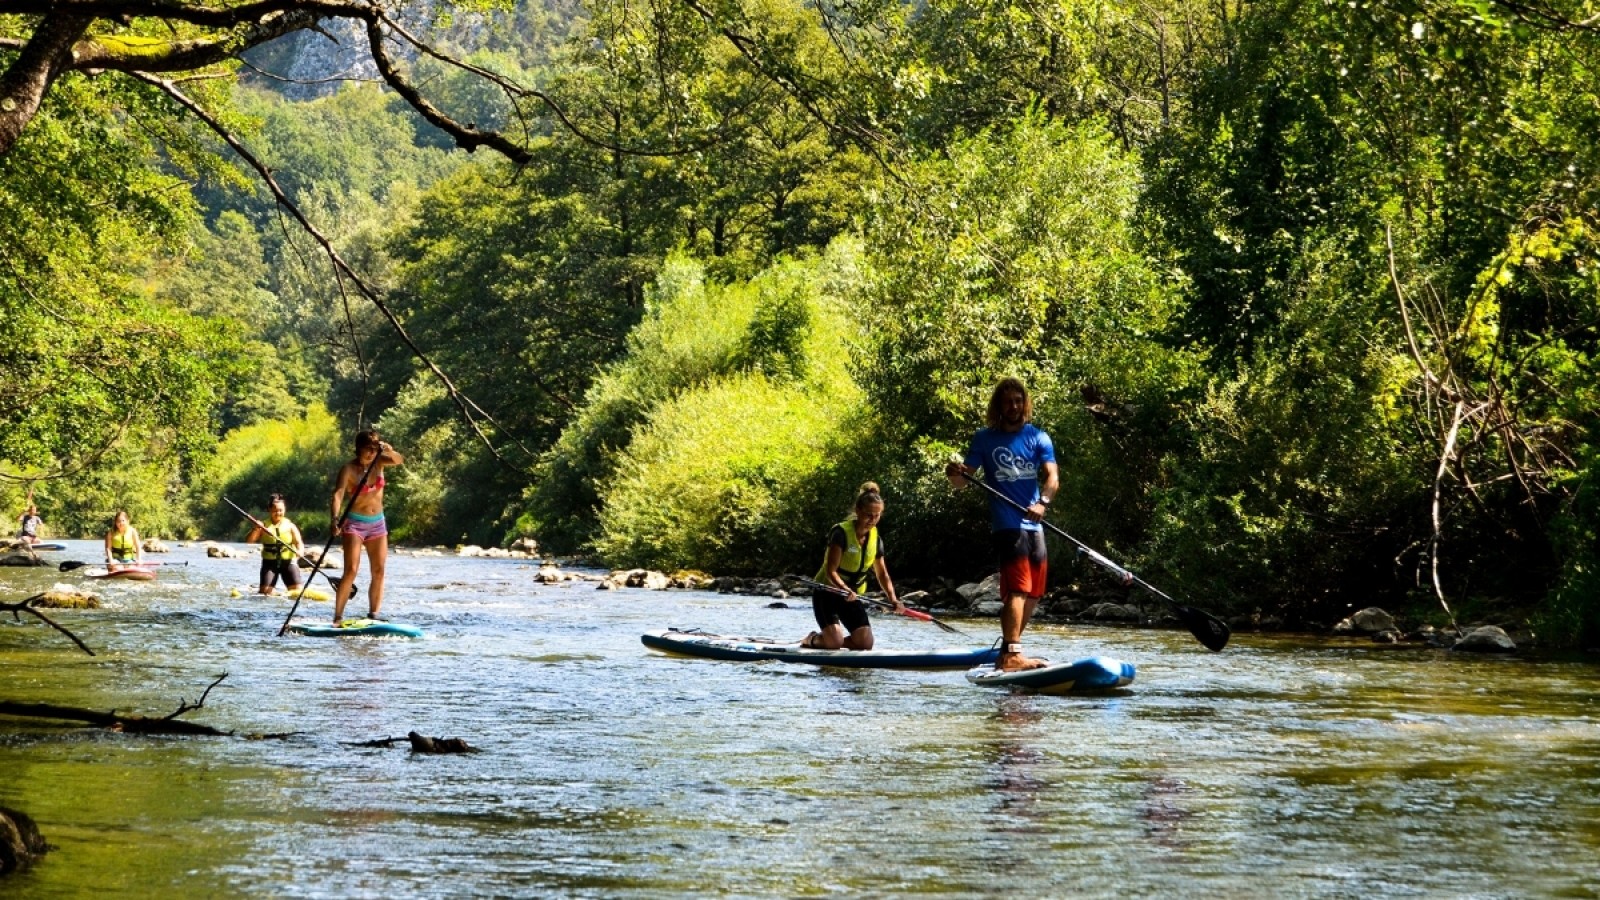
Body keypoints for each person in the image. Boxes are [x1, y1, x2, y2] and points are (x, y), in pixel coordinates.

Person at [945, 377, 1060, 671]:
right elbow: (961, 482)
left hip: (1035, 523)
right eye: (1008, 401)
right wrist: (953, 473)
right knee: (1018, 589)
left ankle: (1010, 652)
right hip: (1008, 525)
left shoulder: (1039, 437)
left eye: (1018, 401)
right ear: (999, 405)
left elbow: (1052, 478)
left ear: (1025, 404)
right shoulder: (984, 438)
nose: (1014, 406)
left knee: (1035, 592)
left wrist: (1042, 503)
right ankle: (1011, 654)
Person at [801, 482, 904, 651]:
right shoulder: (840, 533)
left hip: (850, 595)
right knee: (834, 643)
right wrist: (844, 588)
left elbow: (882, 573)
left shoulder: (875, 539)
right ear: (858, 511)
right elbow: (830, 570)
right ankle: (812, 639)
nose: (872, 520)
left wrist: (893, 599)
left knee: (865, 644)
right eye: (869, 515)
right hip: (826, 592)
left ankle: (834, 641)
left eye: (877, 516)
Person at [330, 430, 403, 624]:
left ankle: (374, 614)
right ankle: (337, 617)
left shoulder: (380, 461)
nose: (371, 453)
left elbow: (398, 460)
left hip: (378, 523)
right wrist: (335, 519)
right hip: (354, 523)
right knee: (351, 570)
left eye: (374, 449)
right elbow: (337, 494)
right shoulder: (348, 469)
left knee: (379, 570)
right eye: (367, 449)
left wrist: (390, 449)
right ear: (358, 449)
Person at [247, 493, 307, 596]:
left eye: (281, 510)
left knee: (297, 594)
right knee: (265, 594)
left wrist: (300, 552)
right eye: (275, 510)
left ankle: (281, 593)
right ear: (269, 510)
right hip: (269, 564)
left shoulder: (290, 526)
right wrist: (256, 528)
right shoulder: (263, 526)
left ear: (285, 510)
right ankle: (275, 593)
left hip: (288, 563)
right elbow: (249, 541)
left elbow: (299, 543)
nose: (278, 513)